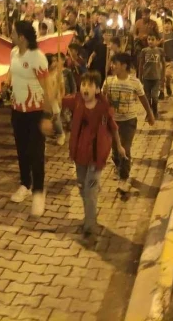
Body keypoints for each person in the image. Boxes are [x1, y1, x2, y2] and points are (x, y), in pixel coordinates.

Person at [61, 71, 126, 237]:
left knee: (89, 191)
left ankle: (90, 225)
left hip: (96, 158)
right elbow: (58, 99)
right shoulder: (76, 101)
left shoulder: (104, 109)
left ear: (97, 89)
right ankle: (90, 214)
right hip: (79, 155)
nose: (85, 88)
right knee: (83, 187)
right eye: (83, 85)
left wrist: (119, 146)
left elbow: (113, 128)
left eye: (90, 85)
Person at [3, 20, 52, 217]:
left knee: (36, 153)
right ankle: (25, 184)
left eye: (13, 33)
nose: (10, 35)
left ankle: (39, 192)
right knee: (21, 150)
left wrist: (48, 116)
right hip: (17, 110)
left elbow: (47, 87)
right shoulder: (14, 52)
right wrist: (6, 82)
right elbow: (11, 72)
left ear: (22, 37)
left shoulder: (37, 57)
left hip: (35, 112)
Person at [103, 53, 154, 193]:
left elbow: (143, 99)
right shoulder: (108, 81)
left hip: (129, 121)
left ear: (124, 66)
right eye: (112, 63)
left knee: (125, 148)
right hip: (112, 121)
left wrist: (149, 114)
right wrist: (104, 96)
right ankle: (119, 166)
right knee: (114, 150)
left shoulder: (135, 82)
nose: (112, 66)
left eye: (115, 63)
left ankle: (124, 177)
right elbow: (103, 101)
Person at [138, 33, 164, 117]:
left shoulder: (160, 51)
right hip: (146, 78)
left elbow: (163, 64)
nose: (150, 41)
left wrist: (162, 77)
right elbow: (141, 64)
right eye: (149, 39)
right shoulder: (144, 51)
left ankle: (155, 112)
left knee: (155, 97)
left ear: (157, 40)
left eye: (152, 39)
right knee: (147, 98)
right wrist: (139, 77)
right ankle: (149, 114)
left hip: (156, 78)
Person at [46, 54, 66, 146]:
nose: (55, 63)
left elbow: (62, 87)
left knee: (56, 118)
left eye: (55, 61)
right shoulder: (43, 73)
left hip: (55, 99)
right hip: (46, 99)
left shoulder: (58, 73)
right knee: (47, 118)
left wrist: (61, 98)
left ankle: (61, 134)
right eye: (53, 61)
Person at [162, 19, 173, 96]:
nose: (167, 25)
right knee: (160, 77)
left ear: (171, 25)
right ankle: (161, 92)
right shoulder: (160, 35)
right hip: (160, 60)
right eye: (165, 23)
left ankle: (168, 85)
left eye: (168, 24)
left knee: (168, 75)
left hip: (170, 60)